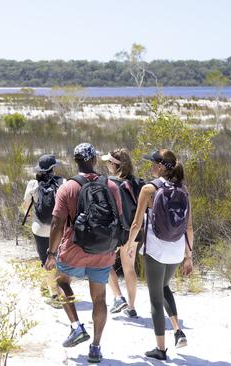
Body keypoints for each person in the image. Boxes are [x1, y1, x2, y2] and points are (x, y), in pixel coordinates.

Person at [45, 143, 123, 364]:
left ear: (75, 161)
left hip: (74, 249)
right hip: (103, 251)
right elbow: (117, 217)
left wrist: (51, 253)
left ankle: (76, 326)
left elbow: (57, 223)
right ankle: (96, 348)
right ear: (95, 160)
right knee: (99, 298)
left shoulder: (68, 187)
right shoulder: (111, 186)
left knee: (61, 281)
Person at [125, 149, 194, 361]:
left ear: (162, 166)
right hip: (175, 249)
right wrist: (189, 256)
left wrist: (129, 244)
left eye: (153, 163)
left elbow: (137, 223)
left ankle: (161, 349)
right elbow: (189, 227)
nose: (151, 167)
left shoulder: (149, 189)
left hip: (155, 249)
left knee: (155, 299)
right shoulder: (183, 189)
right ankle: (177, 330)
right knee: (164, 287)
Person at [100, 148, 143, 318]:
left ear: (115, 165)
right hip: (134, 232)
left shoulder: (109, 183)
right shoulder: (138, 182)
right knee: (129, 268)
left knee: (104, 264)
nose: (107, 165)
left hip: (117, 233)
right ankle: (131, 307)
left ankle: (118, 297)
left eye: (109, 162)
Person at [22, 154, 64, 307]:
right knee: (54, 259)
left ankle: (53, 293)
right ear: (53, 168)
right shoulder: (62, 182)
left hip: (39, 228)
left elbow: (25, 207)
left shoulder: (33, 184)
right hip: (58, 228)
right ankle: (50, 289)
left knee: (45, 260)